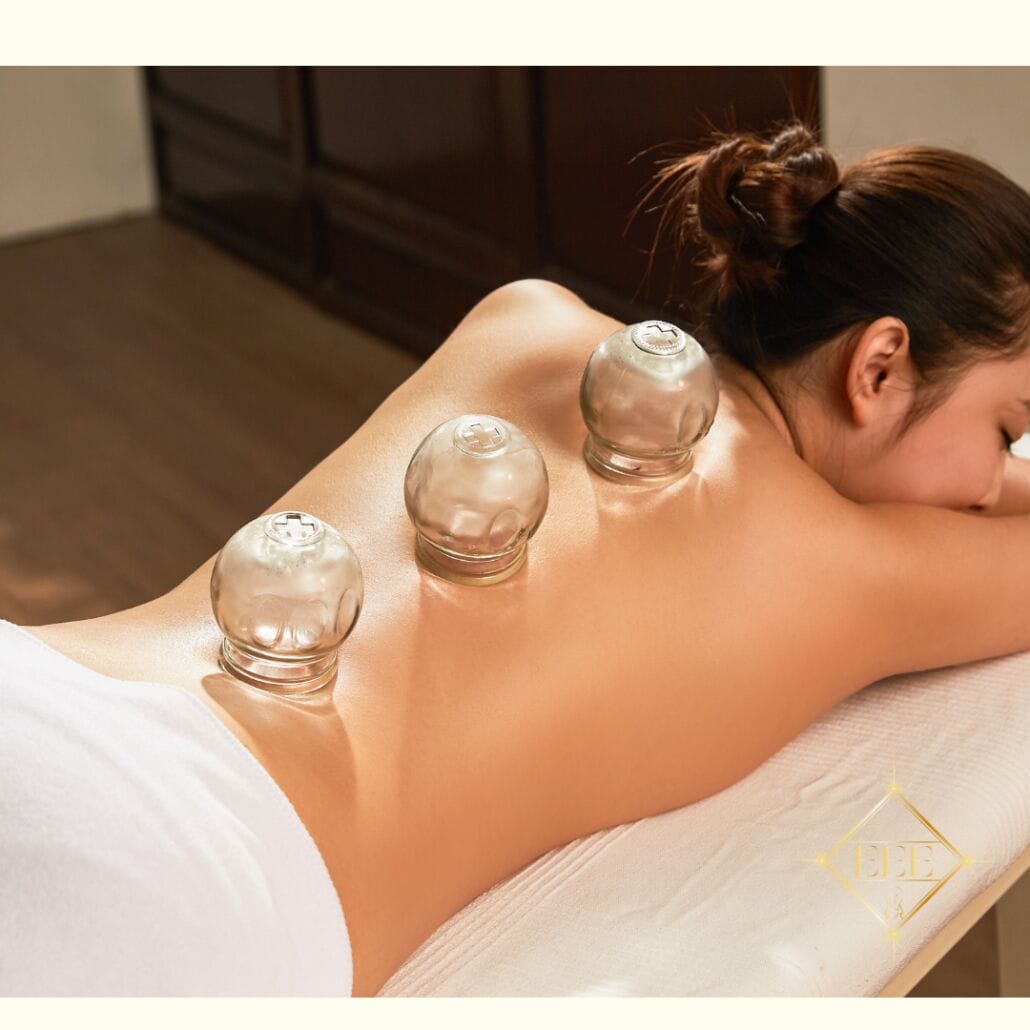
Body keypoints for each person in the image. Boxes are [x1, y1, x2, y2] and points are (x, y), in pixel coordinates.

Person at [14, 119, 1030, 997]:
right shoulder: (832, 567)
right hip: (191, 878)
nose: (993, 483)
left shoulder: (526, 316)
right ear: (878, 364)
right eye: (1005, 429)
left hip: (51, 692)